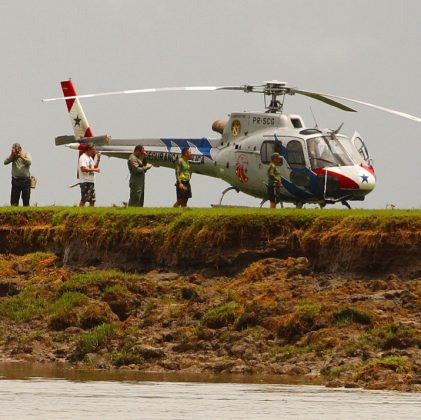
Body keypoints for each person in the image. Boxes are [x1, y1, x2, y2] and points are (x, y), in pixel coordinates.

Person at [78, 143, 100, 207]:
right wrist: (95, 170)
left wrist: (98, 160)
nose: (94, 151)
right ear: (89, 149)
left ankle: (91, 212)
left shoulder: (90, 158)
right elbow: (83, 169)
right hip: (85, 181)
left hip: (91, 181)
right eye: (93, 149)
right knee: (84, 199)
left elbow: (94, 167)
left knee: (92, 199)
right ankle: (79, 212)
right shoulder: (83, 158)